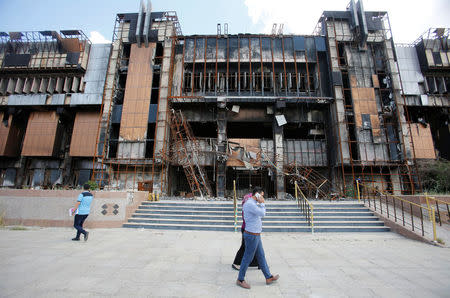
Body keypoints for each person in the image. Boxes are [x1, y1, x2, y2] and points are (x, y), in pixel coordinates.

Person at [236, 187, 279, 289]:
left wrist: (260, 203)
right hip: (251, 235)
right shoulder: (250, 204)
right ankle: (240, 279)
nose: (263, 197)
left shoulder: (253, 203)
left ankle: (268, 277)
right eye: (262, 195)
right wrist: (263, 203)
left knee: (261, 256)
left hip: (256, 234)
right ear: (257, 194)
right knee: (248, 257)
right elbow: (263, 213)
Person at [232, 192, 259, 270]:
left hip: (251, 229)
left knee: (255, 247)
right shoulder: (248, 206)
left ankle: (256, 263)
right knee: (244, 246)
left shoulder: (247, 204)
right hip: (247, 229)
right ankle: (236, 262)